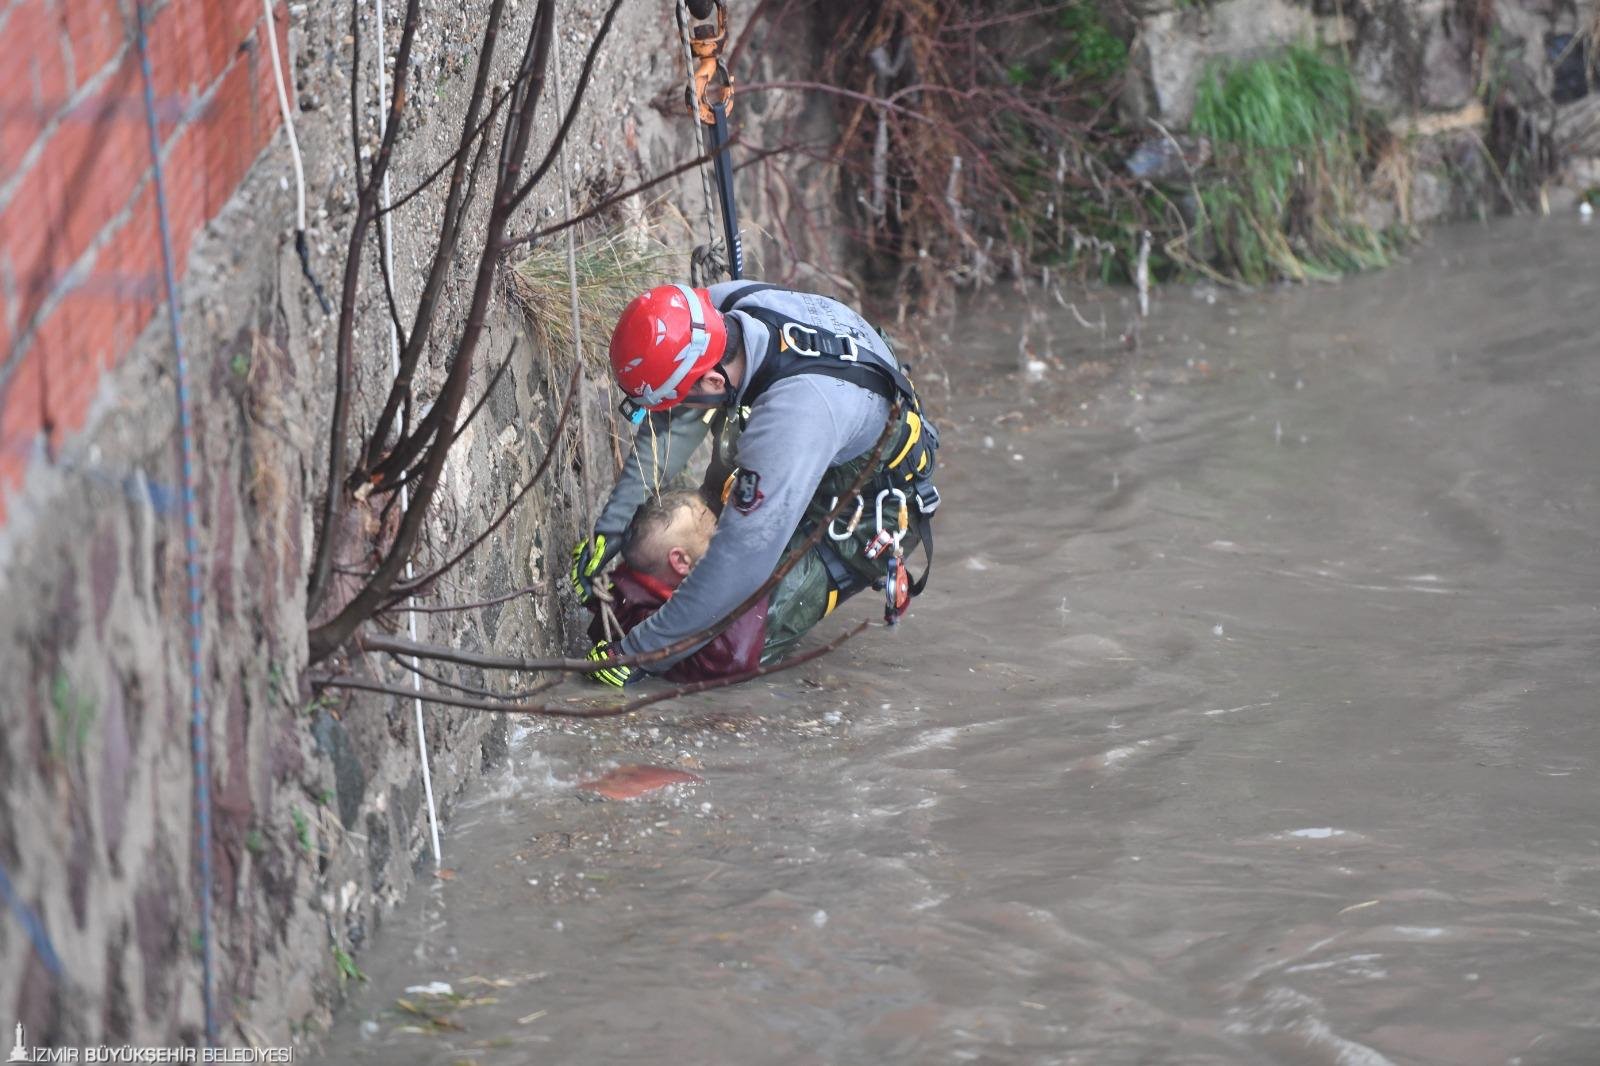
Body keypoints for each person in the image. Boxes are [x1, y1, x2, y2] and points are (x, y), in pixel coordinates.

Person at [575, 281, 941, 685]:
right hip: (833, 424)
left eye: (682, 399)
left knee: (731, 646)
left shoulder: (792, 419)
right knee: (722, 496)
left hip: (863, 505)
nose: (678, 410)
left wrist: (640, 654)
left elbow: (741, 561)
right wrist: (612, 527)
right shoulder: (717, 311)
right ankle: (667, 604)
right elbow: (675, 419)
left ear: (714, 382)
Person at [585, 489, 837, 683]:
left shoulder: (627, 591)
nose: (720, 526)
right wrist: (744, 562)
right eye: (710, 526)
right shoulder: (647, 620)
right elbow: (736, 658)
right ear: (681, 561)